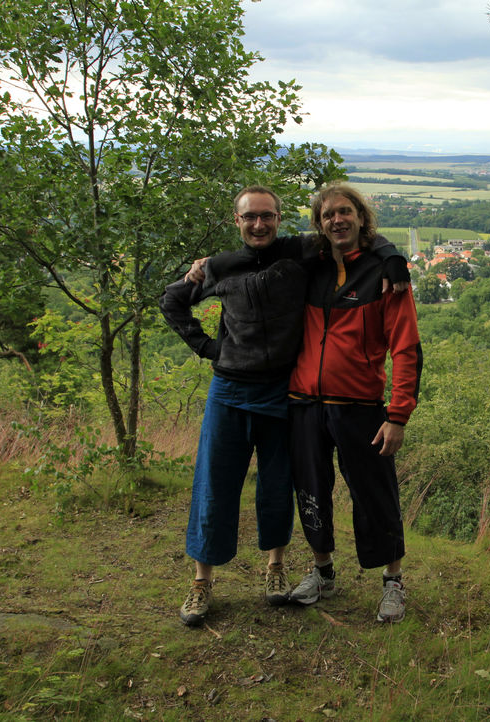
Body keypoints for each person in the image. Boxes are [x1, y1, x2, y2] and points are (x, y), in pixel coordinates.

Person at [159, 185, 408, 626]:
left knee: (289, 488)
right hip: (253, 394)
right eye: (249, 217)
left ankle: (287, 571)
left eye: (267, 216)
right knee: (224, 486)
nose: (259, 224)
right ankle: (206, 582)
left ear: (279, 219)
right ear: (236, 221)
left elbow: (355, 236)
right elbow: (173, 300)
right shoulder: (222, 266)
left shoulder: (303, 254)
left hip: (296, 395)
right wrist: (209, 348)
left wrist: (393, 258)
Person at [286, 183, 422, 623]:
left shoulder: (385, 274)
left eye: (345, 212)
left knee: (375, 495)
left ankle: (393, 582)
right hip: (305, 403)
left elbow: (407, 349)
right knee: (310, 489)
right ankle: (323, 572)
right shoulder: (312, 268)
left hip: (361, 407)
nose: (337, 220)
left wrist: (398, 414)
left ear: (361, 217)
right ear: (319, 224)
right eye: (328, 215)